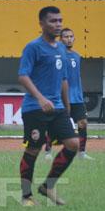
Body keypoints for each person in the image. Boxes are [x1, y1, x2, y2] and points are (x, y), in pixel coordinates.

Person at [17, 6, 80, 206]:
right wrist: (40, 99)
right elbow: (23, 76)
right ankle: (26, 196)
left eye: (60, 20)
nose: (58, 24)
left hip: (58, 107)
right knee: (33, 149)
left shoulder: (62, 48)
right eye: (53, 21)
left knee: (73, 144)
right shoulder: (33, 47)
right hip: (35, 108)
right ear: (42, 24)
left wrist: (67, 106)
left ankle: (48, 186)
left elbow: (63, 79)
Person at [43, 28, 94, 161]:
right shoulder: (56, 55)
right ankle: (48, 151)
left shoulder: (77, 56)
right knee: (54, 125)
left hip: (76, 98)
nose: (69, 39)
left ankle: (82, 153)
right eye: (66, 36)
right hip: (60, 97)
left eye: (71, 36)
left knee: (83, 123)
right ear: (60, 39)